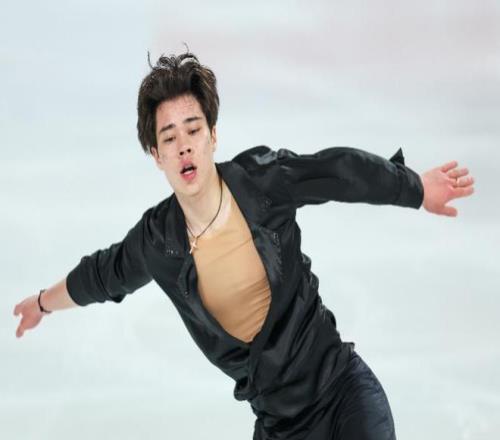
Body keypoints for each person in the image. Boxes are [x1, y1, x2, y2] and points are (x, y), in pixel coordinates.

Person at [13, 49, 475, 440]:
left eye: (194, 130)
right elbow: (102, 275)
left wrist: (415, 188)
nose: (184, 146)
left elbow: (338, 172)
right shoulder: (158, 241)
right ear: (156, 155)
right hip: (278, 428)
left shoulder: (262, 182)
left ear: (213, 135)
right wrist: (42, 303)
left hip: (345, 400)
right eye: (169, 137)